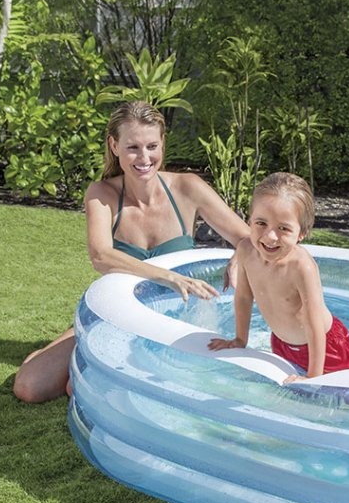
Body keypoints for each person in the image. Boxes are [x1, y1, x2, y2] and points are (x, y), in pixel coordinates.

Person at [13, 100, 249, 402]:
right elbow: (101, 255)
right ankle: (54, 348)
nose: (145, 158)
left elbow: (247, 237)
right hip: (120, 312)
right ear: (114, 146)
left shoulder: (188, 188)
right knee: (29, 387)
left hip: (177, 313)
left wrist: (238, 258)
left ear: (162, 143)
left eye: (152, 146)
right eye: (133, 147)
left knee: (88, 387)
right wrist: (167, 276)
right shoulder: (103, 194)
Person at [207, 172, 349, 380]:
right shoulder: (246, 251)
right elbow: (244, 297)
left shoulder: (301, 266)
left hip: (325, 347)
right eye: (261, 223)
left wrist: (312, 377)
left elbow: (313, 323)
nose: (270, 236)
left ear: (301, 233)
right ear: (249, 220)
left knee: (346, 387)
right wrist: (240, 340)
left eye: (283, 228)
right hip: (282, 343)